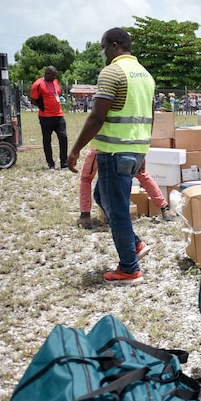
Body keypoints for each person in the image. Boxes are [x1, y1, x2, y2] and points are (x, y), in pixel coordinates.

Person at [67, 27, 156, 285]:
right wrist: (143, 151)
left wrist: (75, 150)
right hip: (135, 150)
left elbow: (97, 116)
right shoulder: (146, 76)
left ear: (115, 46)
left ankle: (129, 268)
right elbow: (150, 116)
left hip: (115, 152)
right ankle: (135, 244)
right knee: (100, 196)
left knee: (116, 211)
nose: (102, 51)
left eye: (104, 46)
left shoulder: (112, 72)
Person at [76, 147, 177, 229]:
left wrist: (85, 213)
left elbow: (86, 179)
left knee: (98, 194)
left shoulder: (97, 147)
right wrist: (142, 154)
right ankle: (165, 209)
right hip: (133, 149)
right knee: (142, 174)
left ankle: (116, 221)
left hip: (106, 151)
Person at [30, 66, 68, 170]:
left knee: (63, 138)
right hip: (46, 117)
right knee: (47, 140)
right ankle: (50, 163)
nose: (55, 77)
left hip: (59, 116)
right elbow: (33, 100)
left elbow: (57, 93)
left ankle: (64, 162)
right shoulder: (38, 84)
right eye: (53, 75)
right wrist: (43, 107)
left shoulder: (56, 82)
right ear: (47, 73)